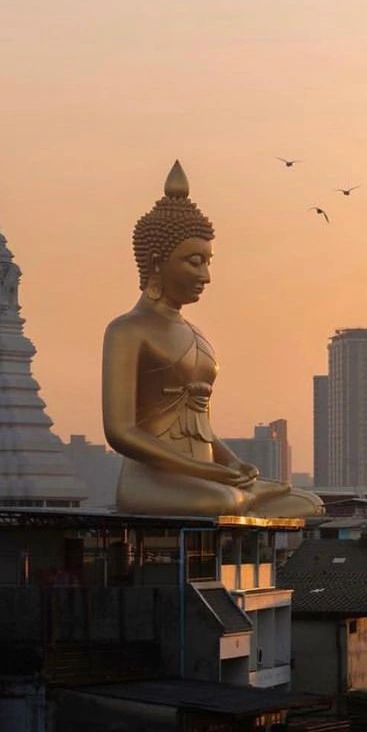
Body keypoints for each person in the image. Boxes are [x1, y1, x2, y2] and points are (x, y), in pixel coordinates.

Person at [103, 162, 324, 518]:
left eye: (208, 262)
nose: (205, 276)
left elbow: (200, 425)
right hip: (153, 479)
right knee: (225, 502)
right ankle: (233, 502)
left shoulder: (194, 332)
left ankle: (240, 496)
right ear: (157, 262)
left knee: (307, 503)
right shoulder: (127, 330)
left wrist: (234, 464)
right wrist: (207, 472)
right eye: (193, 262)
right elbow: (121, 432)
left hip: (209, 477)